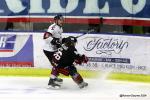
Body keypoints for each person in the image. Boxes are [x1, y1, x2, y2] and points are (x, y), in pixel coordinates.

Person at [43, 14, 64, 86]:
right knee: (57, 65)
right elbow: (46, 37)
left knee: (57, 64)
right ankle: (51, 81)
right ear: (56, 20)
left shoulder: (60, 28)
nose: (62, 21)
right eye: (60, 19)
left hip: (54, 50)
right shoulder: (53, 27)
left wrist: (64, 41)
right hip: (49, 50)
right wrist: (54, 41)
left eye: (62, 19)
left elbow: (59, 40)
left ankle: (54, 78)